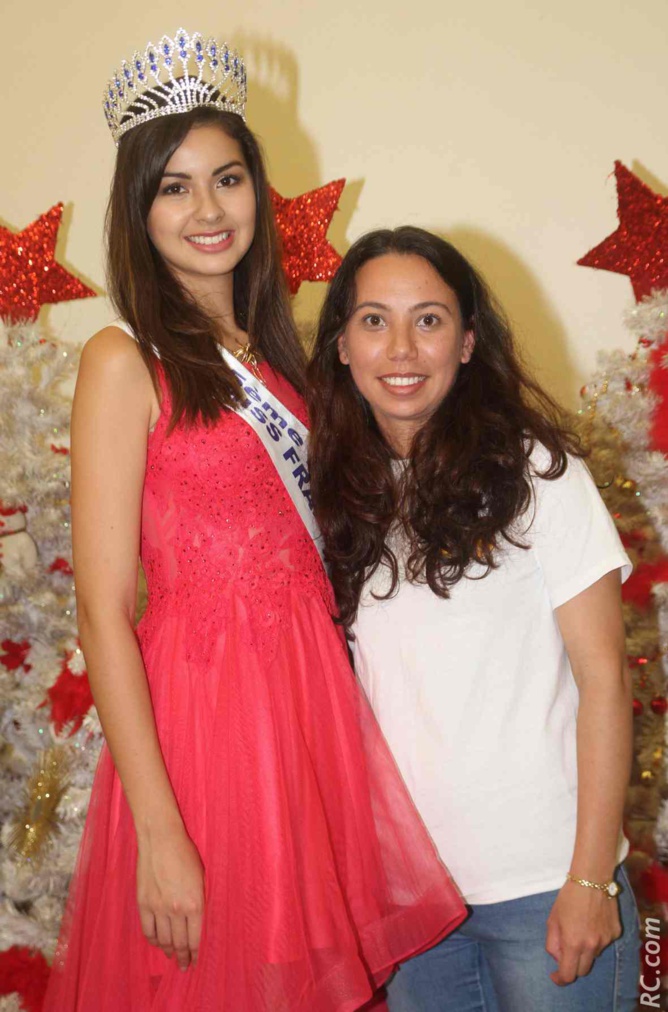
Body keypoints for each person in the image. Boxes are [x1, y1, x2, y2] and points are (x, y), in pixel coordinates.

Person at [43, 37, 465, 1012]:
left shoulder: (286, 361)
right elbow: (104, 609)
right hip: (204, 724)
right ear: (138, 210)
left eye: (226, 179)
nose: (205, 210)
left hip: (304, 708)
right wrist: (157, 829)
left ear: (256, 192)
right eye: (174, 187)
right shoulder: (123, 359)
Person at [307, 226, 641, 1011]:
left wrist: (591, 877)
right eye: (373, 321)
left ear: (465, 343)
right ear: (342, 348)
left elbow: (602, 683)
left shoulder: (538, 474)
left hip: (546, 889)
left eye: (428, 320)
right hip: (415, 904)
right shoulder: (337, 498)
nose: (402, 348)